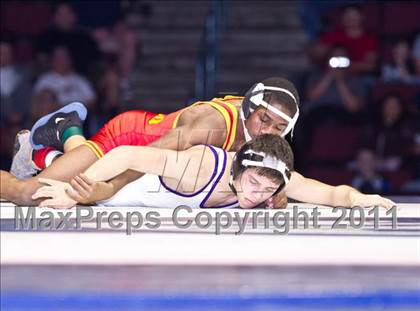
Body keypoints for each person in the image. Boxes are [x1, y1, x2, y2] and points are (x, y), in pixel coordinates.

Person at [1, 77, 300, 208]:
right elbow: (138, 156)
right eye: (264, 120)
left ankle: (64, 131)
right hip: (128, 142)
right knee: (31, 194)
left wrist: (275, 193)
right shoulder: (212, 127)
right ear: (249, 108)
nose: (268, 131)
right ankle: (64, 137)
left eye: (279, 127)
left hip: (156, 167)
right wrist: (106, 188)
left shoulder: (263, 134)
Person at [32, 134, 395, 210]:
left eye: (269, 189)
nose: (257, 194)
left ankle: (64, 136)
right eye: (253, 183)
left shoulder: (274, 179)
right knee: (61, 181)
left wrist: (363, 198)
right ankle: (58, 139)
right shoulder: (200, 167)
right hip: (128, 186)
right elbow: (126, 155)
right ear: (237, 169)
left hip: (144, 188)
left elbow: (331, 193)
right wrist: (77, 190)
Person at [309, 5, 378, 75]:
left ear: (361, 17)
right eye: (347, 16)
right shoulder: (334, 34)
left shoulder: (369, 39)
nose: (350, 19)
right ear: (342, 18)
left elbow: (370, 66)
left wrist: (345, 65)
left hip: (357, 76)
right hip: (329, 75)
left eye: (354, 16)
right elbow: (315, 54)